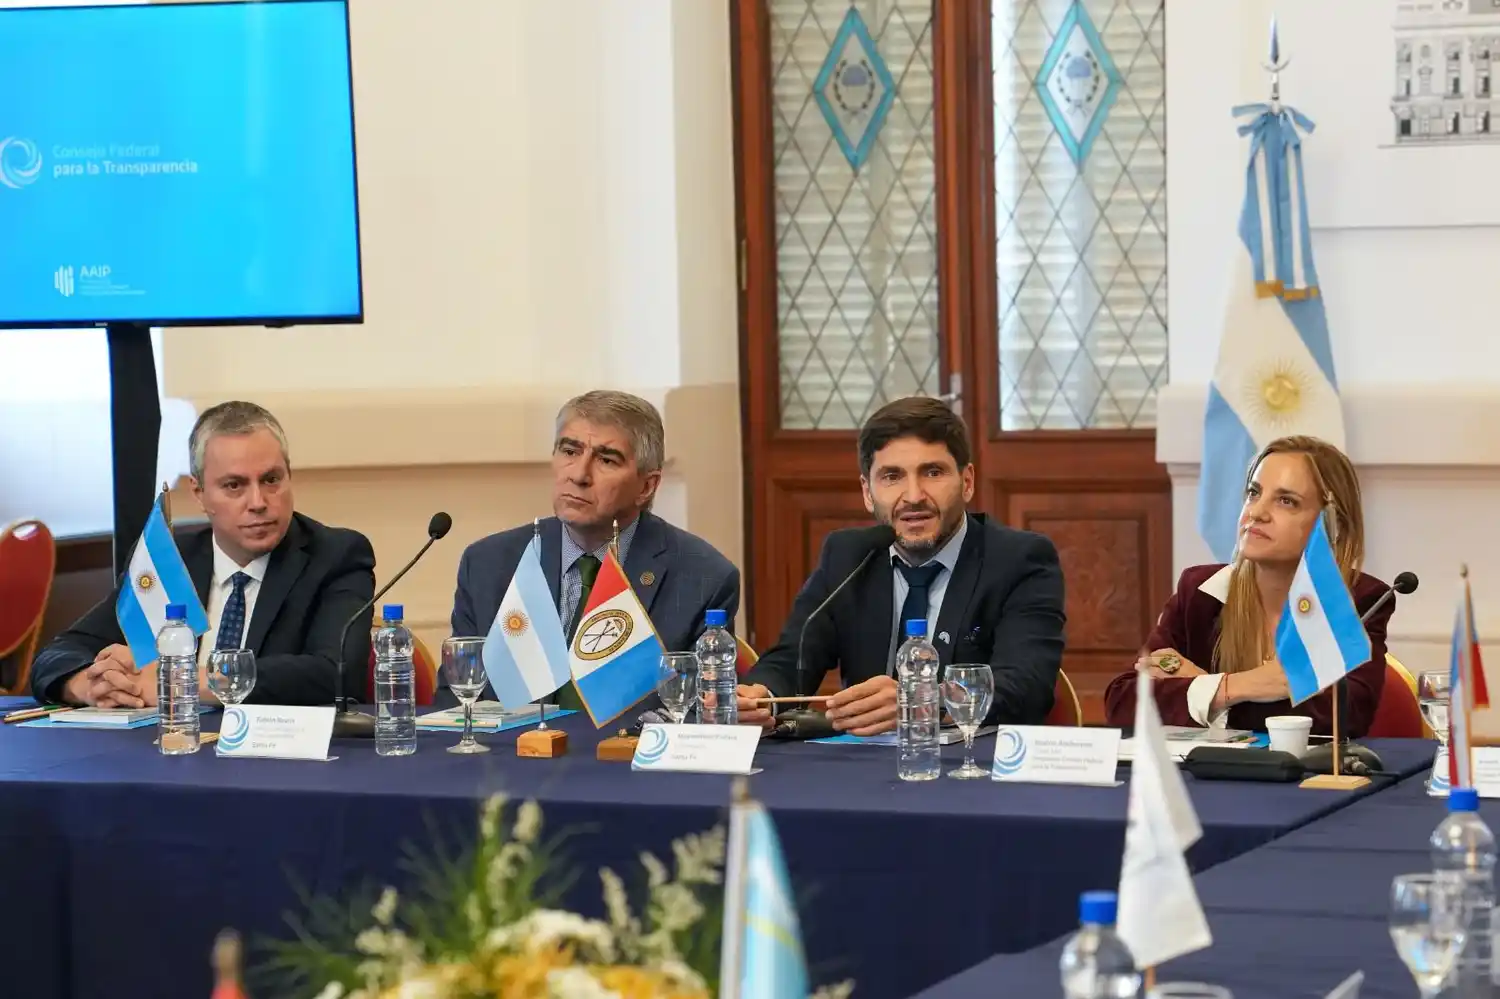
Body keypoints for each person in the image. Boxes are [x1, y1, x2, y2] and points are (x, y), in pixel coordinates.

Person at [736, 396, 1066, 735]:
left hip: (973, 760)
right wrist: (761, 697)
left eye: (933, 473)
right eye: (892, 476)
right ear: (868, 492)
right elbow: (794, 656)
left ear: (967, 482)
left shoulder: (1019, 560)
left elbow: (1026, 686)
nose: (913, 496)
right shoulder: (848, 555)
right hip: (867, 761)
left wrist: (920, 702)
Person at [30, 401, 377, 707]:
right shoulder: (170, 561)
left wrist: (180, 681)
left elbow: (337, 674)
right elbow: (58, 655)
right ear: (199, 493)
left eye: (271, 480)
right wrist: (90, 685)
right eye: (234, 485)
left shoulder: (335, 556)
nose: (258, 502)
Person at [449, 390, 739, 708]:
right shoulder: (488, 564)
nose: (578, 475)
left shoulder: (703, 578)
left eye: (606, 460)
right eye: (569, 451)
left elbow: (704, 714)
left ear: (646, 486)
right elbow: (454, 704)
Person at [1103, 435, 1390, 737]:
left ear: (1332, 525)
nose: (1256, 513)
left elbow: (1342, 716)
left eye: (1286, 501)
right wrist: (1238, 686)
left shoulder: (1359, 599)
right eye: (1254, 493)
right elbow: (1124, 702)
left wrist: (1201, 689)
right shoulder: (1200, 592)